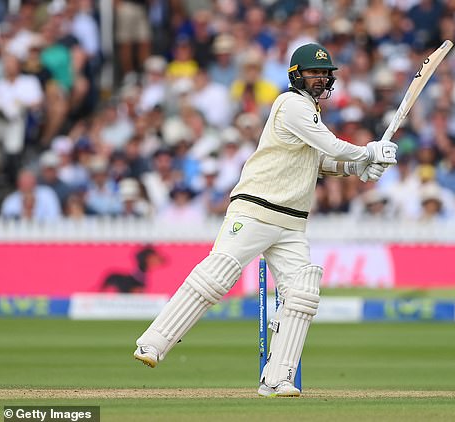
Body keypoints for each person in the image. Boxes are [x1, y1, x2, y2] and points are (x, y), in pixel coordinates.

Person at [133, 43, 397, 397]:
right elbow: (331, 145)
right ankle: (153, 343)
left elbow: (320, 161)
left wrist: (359, 167)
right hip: (256, 207)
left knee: (302, 293)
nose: (320, 78)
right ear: (296, 75)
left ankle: (278, 378)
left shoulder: (311, 114)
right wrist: (368, 152)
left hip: (292, 222)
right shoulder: (290, 105)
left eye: (324, 73)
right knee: (219, 272)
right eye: (313, 72)